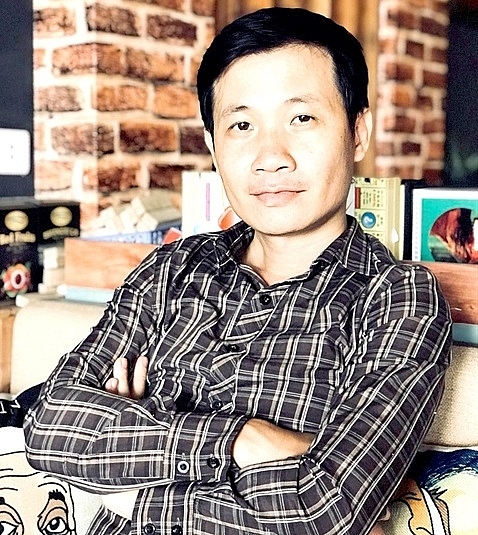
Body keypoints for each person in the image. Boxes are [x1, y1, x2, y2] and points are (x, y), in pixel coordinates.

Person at [24, 7, 452, 535]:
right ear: (212, 145)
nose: (271, 157)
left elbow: (324, 509)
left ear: (357, 132)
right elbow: (49, 423)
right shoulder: (171, 269)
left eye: (302, 118)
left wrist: (127, 471)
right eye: (242, 125)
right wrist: (242, 440)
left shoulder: (398, 297)